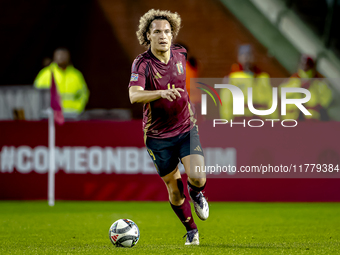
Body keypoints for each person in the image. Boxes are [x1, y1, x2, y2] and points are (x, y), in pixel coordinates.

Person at [128, 9, 209, 245]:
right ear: (148, 36)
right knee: (174, 190)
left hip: (185, 127)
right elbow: (134, 95)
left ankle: (197, 193)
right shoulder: (142, 64)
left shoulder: (181, 54)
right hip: (158, 136)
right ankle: (191, 230)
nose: (163, 36)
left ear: (172, 34)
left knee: (197, 176)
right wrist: (161, 93)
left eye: (167, 31)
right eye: (157, 32)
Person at [219, 44, 277, 120]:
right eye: (243, 55)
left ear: (254, 57)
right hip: (240, 120)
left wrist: (274, 120)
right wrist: (226, 120)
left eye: (249, 54)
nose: (246, 58)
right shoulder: (232, 78)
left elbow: (271, 99)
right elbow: (226, 101)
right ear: (238, 58)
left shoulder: (263, 77)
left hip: (261, 119)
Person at [34, 48, 89, 117]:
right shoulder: (45, 74)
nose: (62, 57)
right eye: (59, 55)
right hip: (51, 116)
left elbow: (84, 94)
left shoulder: (76, 75)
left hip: (73, 114)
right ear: (54, 57)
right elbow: (36, 95)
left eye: (64, 55)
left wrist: (79, 109)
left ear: (69, 56)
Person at [279, 55, 332, 121]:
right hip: (291, 119)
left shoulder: (319, 83)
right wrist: (300, 86)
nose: (304, 66)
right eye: (302, 64)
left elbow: (325, 101)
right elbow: (281, 92)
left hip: (310, 121)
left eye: (307, 64)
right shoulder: (293, 80)